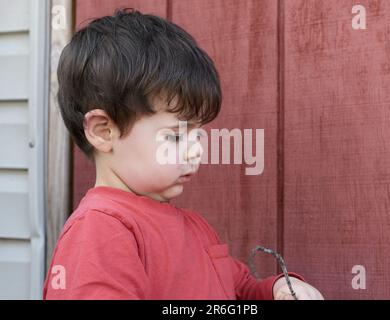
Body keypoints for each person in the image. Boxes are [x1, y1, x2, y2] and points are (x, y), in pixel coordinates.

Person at [43, 8, 323, 300]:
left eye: (198, 134)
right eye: (175, 136)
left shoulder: (194, 228)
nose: (196, 149)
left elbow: (239, 289)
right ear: (103, 131)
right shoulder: (100, 230)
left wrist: (278, 289)